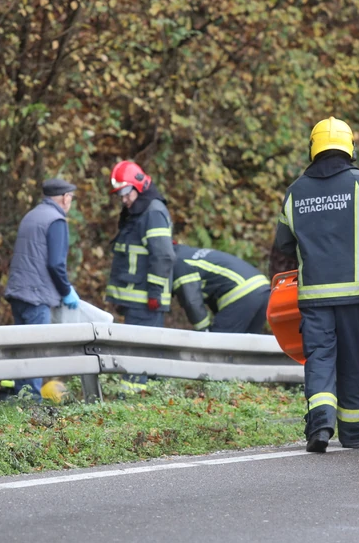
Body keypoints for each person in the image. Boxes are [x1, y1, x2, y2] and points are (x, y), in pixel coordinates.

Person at [269, 117, 359, 453]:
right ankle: (355, 431)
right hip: (356, 295)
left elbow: (284, 245)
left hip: (313, 298)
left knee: (319, 359)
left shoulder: (295, 191)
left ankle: (319, 425)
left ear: (313, 148)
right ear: (350, 147)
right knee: (352, 362)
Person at [3, 177, 80, 399]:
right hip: (37, 297)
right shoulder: (56, 220)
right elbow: (56, 263)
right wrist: (66, 291)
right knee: (36, 354)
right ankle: (33, 406)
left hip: (18, 293)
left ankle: (20, 401)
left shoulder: (31, 215)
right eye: (71, 198)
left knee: (23, 351)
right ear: (65, 198)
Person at [105, 160, 175, 395]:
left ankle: (133, 404)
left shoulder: (152, 212)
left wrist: (154, 293)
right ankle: (137, 403)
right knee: (138, 355)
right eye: (120, 195)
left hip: (147, 301)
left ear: (138, 186)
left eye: (125, 193)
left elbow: (163, 255)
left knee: (139, 359)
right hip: (137, 300)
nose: (123, 199)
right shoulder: (137, 211)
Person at [172, 243, 270, 333]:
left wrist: (204, 330)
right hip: (263, 287)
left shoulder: (179, 263)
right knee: (249, 346)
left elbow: (191, 301)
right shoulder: (188, 253)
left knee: (217, 346)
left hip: (242, 293)